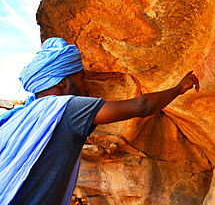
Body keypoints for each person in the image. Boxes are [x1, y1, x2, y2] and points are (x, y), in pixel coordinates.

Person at [0, 37, 199, 205]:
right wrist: (179, 88)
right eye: (81, 78)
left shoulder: (20, 116)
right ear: (61, 82)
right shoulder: (68, 108)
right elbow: (142, 106)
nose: (86, 87)